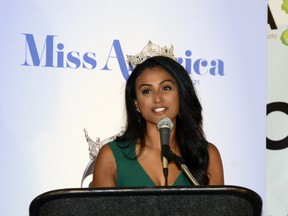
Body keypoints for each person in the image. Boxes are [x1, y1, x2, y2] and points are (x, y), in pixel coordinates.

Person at [92, 42, 224, 187]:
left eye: (166, 88)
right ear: (136, 103)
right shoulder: (111, 157)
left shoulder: (207, 155)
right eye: (147, 91)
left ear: (181, 95)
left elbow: (219, 209)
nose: (157, 98)